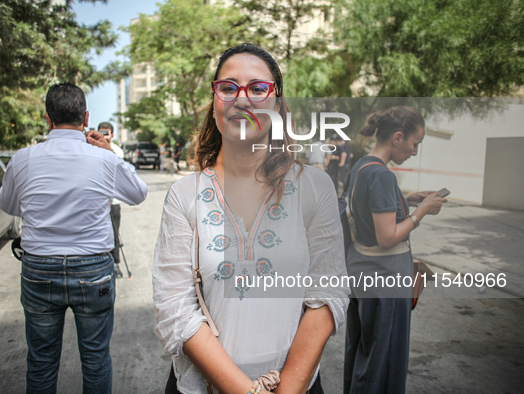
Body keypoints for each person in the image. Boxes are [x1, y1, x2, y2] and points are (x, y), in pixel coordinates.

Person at [153, 43, 349, 394]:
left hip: (294, 385)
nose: (242, 100)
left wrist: (287, 389)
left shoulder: (314, 187)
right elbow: (175, 309)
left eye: (258, 89)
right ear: (215, 106)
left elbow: (328, 290)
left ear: (277, 105)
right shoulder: (185, 196)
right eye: (228, 88)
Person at [0, 82, 148, 394]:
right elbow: (138, 194)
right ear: (86, 118)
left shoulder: (23, 159)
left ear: (48, 119)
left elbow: (9, 205)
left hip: (39, 269)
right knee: (95, 358)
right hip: (94, 271)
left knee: (41, 359)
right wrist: (107, 150)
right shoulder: (104, 159)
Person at [343, 106, 446, 394]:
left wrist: (407, 198)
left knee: (364, 350)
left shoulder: (362, 165)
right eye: (415, 143)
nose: (415, 151)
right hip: (385, 277)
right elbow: (387, 237)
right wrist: (421, 211)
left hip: (362, 272)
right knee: (384, 358)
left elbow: (367, 208)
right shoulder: (383, 177)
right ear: (398, 138)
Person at [98, 122, 125, 277]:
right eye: (101, 132)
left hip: (113, 201)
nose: (104, 135)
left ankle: (115, 264)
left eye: (106, 133)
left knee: (114, 233)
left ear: (112, 135)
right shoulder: (92, 149)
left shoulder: (117, 151)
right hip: (98, 202)